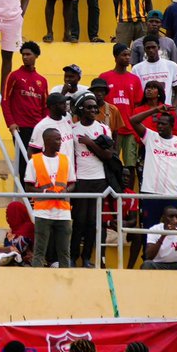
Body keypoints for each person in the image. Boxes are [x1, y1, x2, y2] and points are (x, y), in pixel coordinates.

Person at [70, 95, 114, 267]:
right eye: (89, 107)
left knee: (92, 222)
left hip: (99, 180)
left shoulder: (103, 129)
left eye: (96, 107)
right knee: (79, 221)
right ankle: (73, 257)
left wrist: (90, 143)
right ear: (81, 110)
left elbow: (108, 155)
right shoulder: (73, 130)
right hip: (81, 179)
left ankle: (87, 258)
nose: (94, 110)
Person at [25, 127, 75, 268]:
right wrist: (45, 193)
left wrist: (65, 190)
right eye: (57, 139)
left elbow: (72, 184)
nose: (60, 142)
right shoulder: (34, 161)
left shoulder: (66, 160)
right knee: (40, 250)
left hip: (63, 212)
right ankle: (37, 281)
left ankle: (66, 280)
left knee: (64, 251)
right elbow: (28, 186)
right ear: (47, 141)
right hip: (43, 212)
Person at [0, 41, 48, 179]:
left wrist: (44, 125)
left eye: (28, 54)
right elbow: (5, 101)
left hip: (37, 128)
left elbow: (45, 106)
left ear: (36, 56)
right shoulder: (14, 76)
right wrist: (11, 123)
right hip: (20, 127)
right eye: (23, 54)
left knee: (37, 162)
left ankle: (34, 196)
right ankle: (24, 196)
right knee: (22, 163)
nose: (25, 57)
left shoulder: (42, 80)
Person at [99, 43, 144, 169]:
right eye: (124, 55)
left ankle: (129, 190)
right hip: (112, 129)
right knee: (112, 163)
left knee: (130, 165)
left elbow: (138, 104)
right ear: (115, 56)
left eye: (129, 55)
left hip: (130, 128)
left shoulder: (134, 79)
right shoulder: (105, 77)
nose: (127, 58)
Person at [132, 35, 177, 107]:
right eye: (148, 48)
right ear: (144, 49)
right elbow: (135, 93)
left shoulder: (171, 65)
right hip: (146, 112)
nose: (151, 50)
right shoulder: (136, 69)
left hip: (165, 111)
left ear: (159, 48)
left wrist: (173, 107)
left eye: (153, 47)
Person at [30, 92, 77, 166]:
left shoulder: (68, 118)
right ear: (52, 107)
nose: (65, 106)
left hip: (70, 169)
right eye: (62, 104)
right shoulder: (41, 126)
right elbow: (32, 151)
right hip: (52, 171)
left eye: (65, 103)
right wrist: (39, 170)